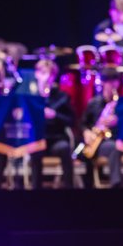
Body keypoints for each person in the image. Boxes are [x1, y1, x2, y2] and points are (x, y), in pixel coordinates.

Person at [28, 59, 75, 189]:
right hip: (37, 140)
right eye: (43, 73)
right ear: (37, 74)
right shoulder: (30, 97)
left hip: (56, 139)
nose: (47, 77)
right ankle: (36, 190)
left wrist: (55, 115)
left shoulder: (62, 97)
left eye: (50, 74)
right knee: (35, 151)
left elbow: (71, 120)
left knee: (65, 147)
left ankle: (69, 188)